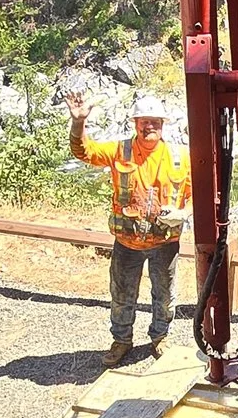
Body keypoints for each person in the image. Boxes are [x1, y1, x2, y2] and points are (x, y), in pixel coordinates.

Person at [67, 91, 191, 366]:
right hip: (127, 243)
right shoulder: (119, 151)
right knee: (122, 295)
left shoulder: (180, 157)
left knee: (165, 295)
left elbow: (200, 194)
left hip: (164, 243)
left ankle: (160, 337)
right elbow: (83, 151)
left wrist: (184, 213)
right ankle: (121, 341)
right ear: (135, 123)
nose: (149, 127)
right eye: (143, 121)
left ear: (163, 124)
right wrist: (78, 123)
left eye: (154, 122)